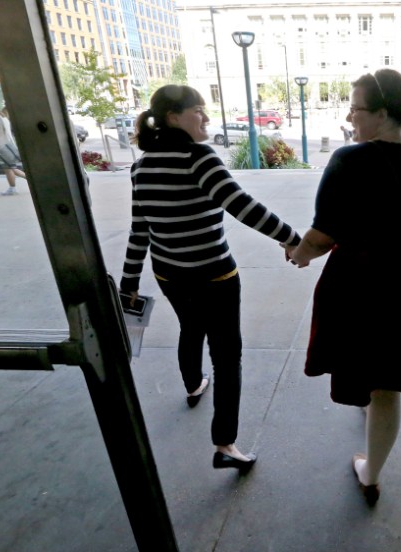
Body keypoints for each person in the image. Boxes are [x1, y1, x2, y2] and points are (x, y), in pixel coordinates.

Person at [287, 69, 401, 506]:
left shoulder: (349, 159)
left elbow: (325, 233)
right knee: (390, 382)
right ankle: (372, 469)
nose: (349, 116)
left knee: (374, 376)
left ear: (382, 113)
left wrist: (299, 254)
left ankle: (370, 469)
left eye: (356, 108)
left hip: (360, 283)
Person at [121, 85, 302, 472]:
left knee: (190, 327)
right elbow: (240, 205)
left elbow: (140, 229)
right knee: (226, 357)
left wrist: (129, 281)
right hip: (213, 275)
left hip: (168, 272)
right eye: (198, 110)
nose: (205, 117)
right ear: (174, 117)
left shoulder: (142, 165)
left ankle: (192, 384)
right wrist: (292, 239)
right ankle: (225, 444)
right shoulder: (198, 157)